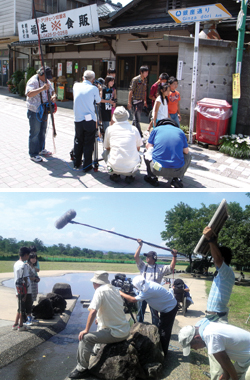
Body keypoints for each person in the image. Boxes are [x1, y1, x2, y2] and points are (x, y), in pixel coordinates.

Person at [68, 271, 130, 379]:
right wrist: (99, 318)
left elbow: (92, 311)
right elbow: (112, 309)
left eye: (93, 283)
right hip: (124, 330)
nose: (93, 285)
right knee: (98, 322)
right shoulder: (115, 289)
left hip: (115, 334)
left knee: (85, 338)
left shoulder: (99, 291)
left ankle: (81, 369)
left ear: (96, 283)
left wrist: (86, 329)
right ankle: (96, 350)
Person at [202, 226, 235, 380]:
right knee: (217, 355)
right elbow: (217, 259)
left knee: (217, 358)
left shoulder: (226, 271)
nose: (214, 260)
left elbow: (218, 259)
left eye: (216, 256)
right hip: (212, 318)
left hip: (217, 319)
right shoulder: (222, 273)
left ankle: (220, 376)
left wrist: (210, 240)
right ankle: (224, 375)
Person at [120, 275, 178, 356]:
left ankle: (163, 353)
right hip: (166, 306)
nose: (134, 288)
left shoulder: (149, 290)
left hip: (170, 309)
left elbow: (132, 300)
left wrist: (120, 293)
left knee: (164, 331)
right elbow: (149, 297)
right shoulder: (146, 284)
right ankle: (160, 348)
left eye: (135, 286)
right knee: (162, 328)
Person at [178, 323, 250, 380]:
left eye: (193, 347)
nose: (196, 349)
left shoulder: (211, 337)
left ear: (197, 338)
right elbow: (224, 361)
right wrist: (226, 374)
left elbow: (226, 361)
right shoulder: (206, 328)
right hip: (244, 360)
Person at [134, 239, 177, 326]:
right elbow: (136, 257)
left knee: (155, 314)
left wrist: (174, 256)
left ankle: (155, 329)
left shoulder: (160, 268)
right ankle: (138, 327)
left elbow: (171, 267)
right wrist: (140, 246)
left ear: (154, 258)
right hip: (143, 292)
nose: (146, 258)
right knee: (140, 312)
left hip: (154, 295)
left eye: (148, 256)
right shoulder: (143, 266)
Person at [144, 118, 191, 187]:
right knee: (188, 155)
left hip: (157, 168)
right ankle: (177, 179)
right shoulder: (180, 132)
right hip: (177, 170)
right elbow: (186, 151)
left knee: (146, 151)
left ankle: (152, 177)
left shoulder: (156, 130)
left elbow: (148, 146)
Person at [103, 106, 142, 184]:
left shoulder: (109, 129)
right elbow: (138, 148)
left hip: (114, 167)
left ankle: (114, 173)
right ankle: (130, 175)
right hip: (131, 168)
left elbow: (107, 147)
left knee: (105, 153)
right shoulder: (134, 129)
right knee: (139, 155)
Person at [25, 66, 56, 162]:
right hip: (34, 110)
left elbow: (52, 91)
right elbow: (29, 93)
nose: (47, 79)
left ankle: (41, 149)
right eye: (46, 77)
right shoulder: (33, 81)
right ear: (40, 74)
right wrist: (42, 88)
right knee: (35, 132)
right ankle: (33, 154)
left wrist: (54, 96)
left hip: (44, 110)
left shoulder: (47, 81)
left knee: (43, 130)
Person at [73, 70, 101, 172]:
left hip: (78, 119)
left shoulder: (75, 86)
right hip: (90, 121)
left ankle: (76, 163)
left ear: (83, 78)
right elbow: (98, 101)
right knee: (88, 143)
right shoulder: (94, 88)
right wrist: (99, 90)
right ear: (93, 80)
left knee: (78, 140)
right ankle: (86, 166)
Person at [12, 247, 32, 331]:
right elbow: (25, 279)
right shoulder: (24, 265)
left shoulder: (16, 263)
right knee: (23, 308)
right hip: (24, 290)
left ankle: (16, 324)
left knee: (20, 307)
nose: (29, 257)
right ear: (26, 255)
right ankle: (21, 325)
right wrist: (25, 294)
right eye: (28, 255)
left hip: (18, 288)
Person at [127, 65, 149, 138]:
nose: (146, 74)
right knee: (137, 118)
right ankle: (140, 134)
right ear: (141, 72)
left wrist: (145, 101)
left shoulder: (145, 80)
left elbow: (145, 90)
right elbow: (131, 91)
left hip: (141, 101)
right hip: (135, 101)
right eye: (145, 72)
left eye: (147, 72)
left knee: (135, 119)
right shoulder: (135, 79)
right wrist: (129, 102)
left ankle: (130, 132)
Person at [26, 252, 40, 325]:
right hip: (29, 286)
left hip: (34, 285)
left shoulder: (34, 267)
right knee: (28, 301)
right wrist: (34, 278)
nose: (34, 259)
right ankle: (27, 318)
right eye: (32, 258)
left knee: (32, 301)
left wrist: (37, 279)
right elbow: (26, 277)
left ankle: (30, 316)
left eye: (35, 258)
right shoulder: (27, 266)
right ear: (29, 258)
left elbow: (35, 275)